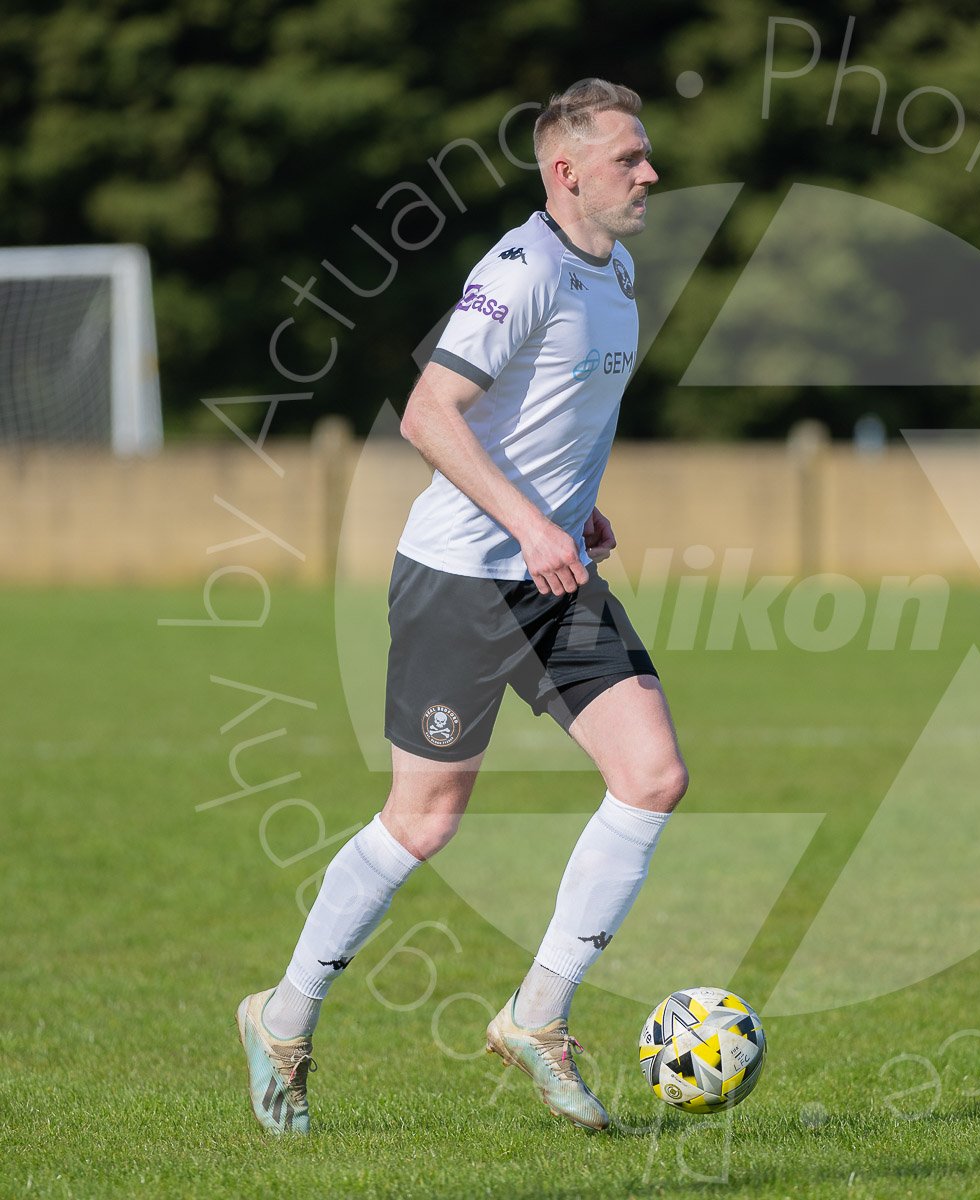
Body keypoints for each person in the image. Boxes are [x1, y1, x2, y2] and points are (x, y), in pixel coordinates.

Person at [237, 78, 674, 1134]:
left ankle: (538, 1016)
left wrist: (571, 511)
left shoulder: (616, 270)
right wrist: (528, 523)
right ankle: (282, 1018)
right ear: (566, 172)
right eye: (629, 158)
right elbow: (431, 413)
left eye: (646, 154)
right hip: (459, 580)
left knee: (652, 776)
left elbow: (545, 412)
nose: (650, 173)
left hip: (552, 576)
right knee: (425, 819)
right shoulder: (521, 269)